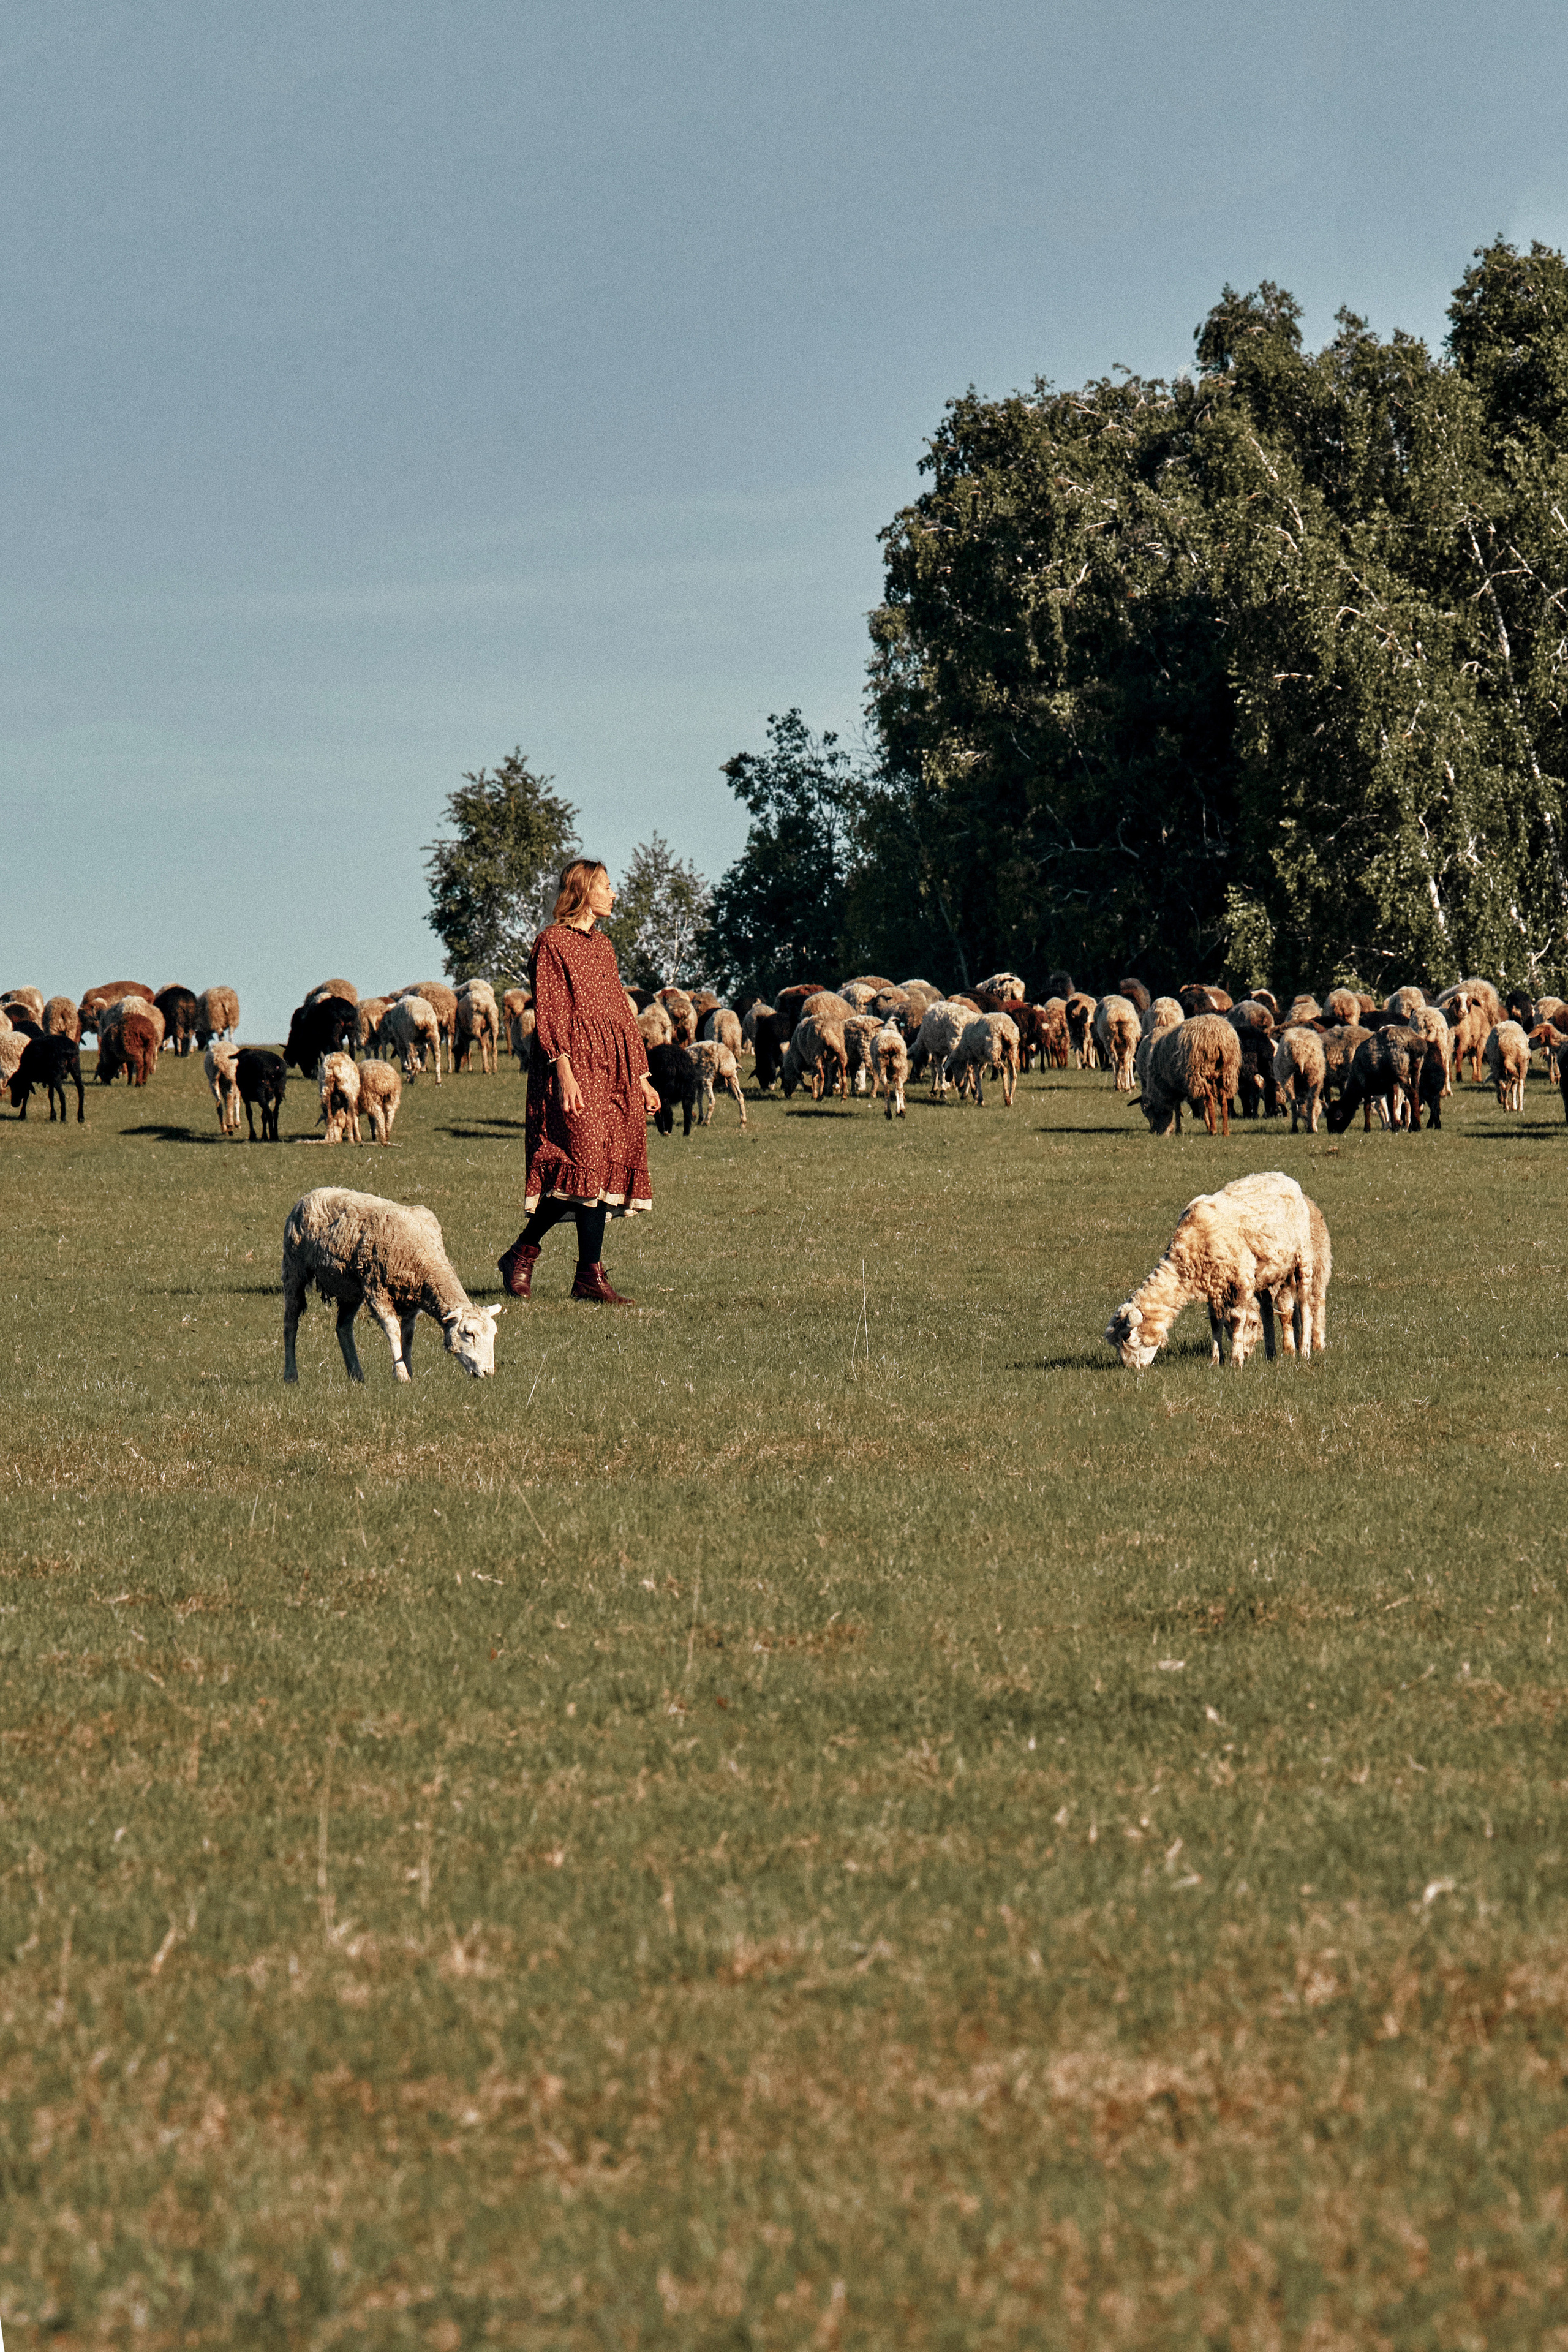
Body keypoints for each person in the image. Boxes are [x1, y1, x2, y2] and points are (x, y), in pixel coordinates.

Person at [497, 859, 660, 1305]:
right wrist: (563, 1071)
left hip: (614, 1066)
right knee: (582, 1161)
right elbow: (550, 1010)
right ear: (585, 890)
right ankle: (526, 1252)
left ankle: (585, 1274)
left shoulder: (604, 946)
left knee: (601, 1167)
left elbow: (620, 1012)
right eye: (606, 886)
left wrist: (641, 1076)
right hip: (574, 1063)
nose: (613, 893)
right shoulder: (552, 942)